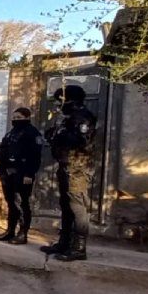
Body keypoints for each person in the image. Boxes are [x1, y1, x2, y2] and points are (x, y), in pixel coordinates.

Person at [41, 85, 97, 261]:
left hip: (78, 167)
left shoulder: (83, 117)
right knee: (66, 206)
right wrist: (54, 134)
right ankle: (64, 243)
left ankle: (79, 248)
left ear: (70, 100)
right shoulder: (67, 117)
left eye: (60, 100)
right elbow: (53, 135)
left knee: (77, 207)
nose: (58, 104)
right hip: (66, 165)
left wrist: (59, 135)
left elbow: (80, 140)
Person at [0, 107, 43, 245]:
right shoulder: (11, 133)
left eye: (19, 117)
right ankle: (10, 231)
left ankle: (22, 234)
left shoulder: (32, 133)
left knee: (21, 204)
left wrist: (29, 174)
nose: (15, 120)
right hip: (7, 173)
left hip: (22, 174)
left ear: (27, 118)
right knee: (11, 203)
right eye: (14, 118)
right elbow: (2, 150)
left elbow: (35, 156)